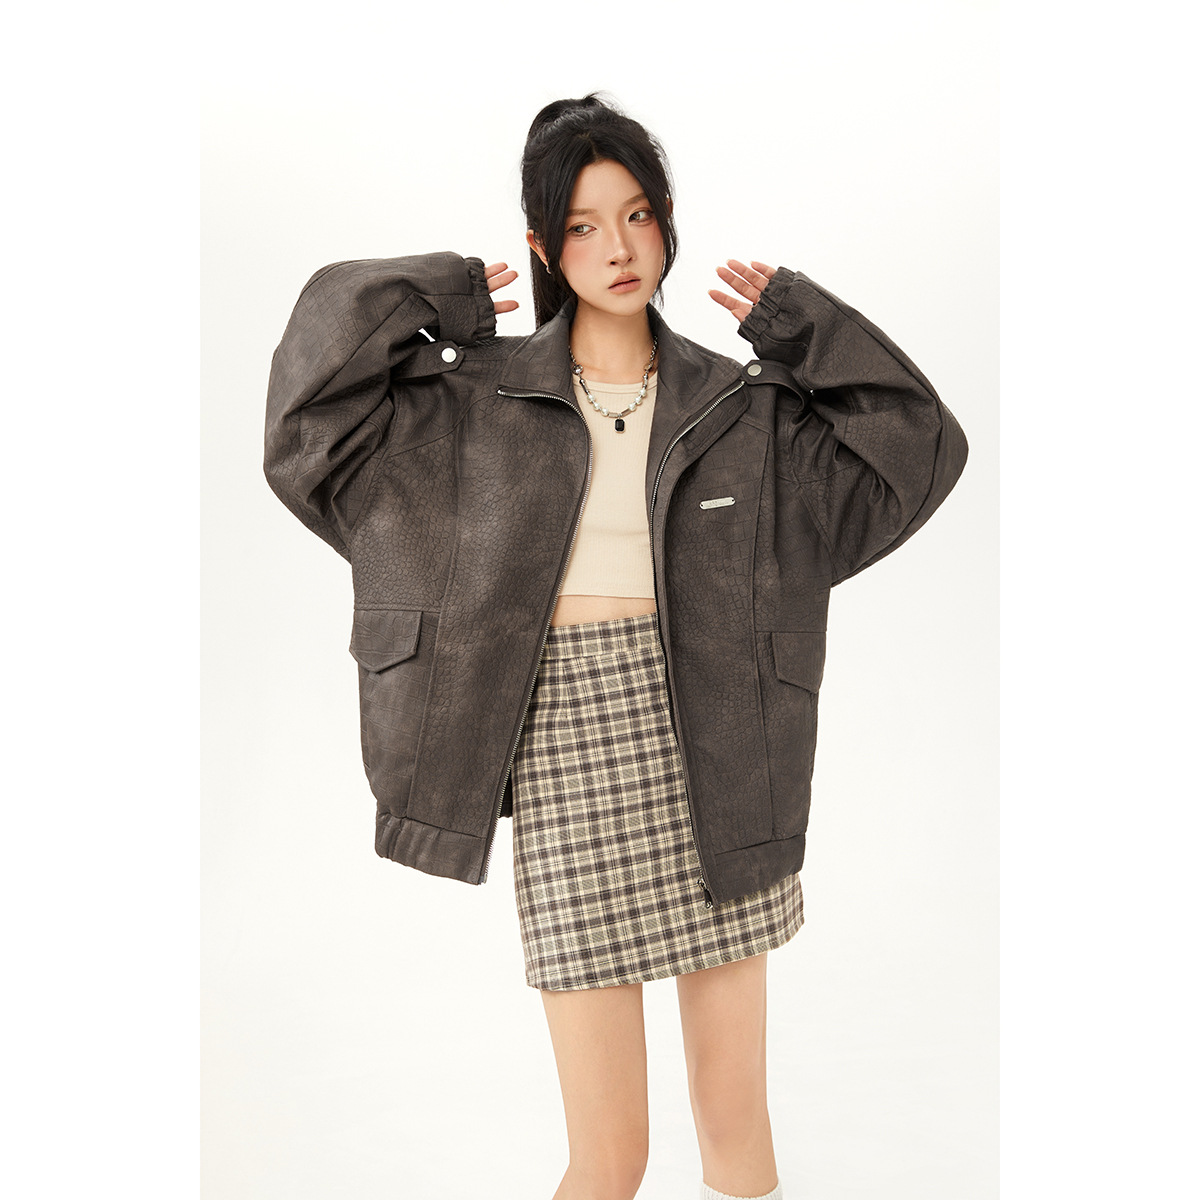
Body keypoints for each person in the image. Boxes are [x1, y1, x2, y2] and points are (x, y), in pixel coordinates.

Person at [264, 94, 967, 1200]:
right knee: (610, 1159)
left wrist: (808, 329)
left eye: (637, 215)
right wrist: (430, 299)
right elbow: (306, 426)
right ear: (543, 247)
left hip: (722, 754)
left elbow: (918, 448)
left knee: (737, 1133)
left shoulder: (745, 409)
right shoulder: (471, 403)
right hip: (562, 751)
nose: (619, 248)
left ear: (668, 220)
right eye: (583, 227)